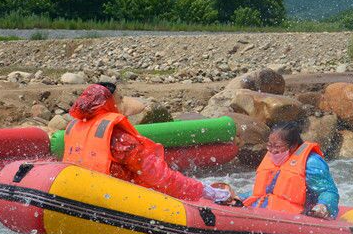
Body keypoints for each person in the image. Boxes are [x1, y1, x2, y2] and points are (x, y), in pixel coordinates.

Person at [63, 82, 232, 203]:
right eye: (120, 99)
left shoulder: (76, 128)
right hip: (116, 203)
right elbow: (161, 178)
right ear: (108, 104)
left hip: (81, 196)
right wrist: (206, 191)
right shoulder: (120, 139)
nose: (123, 103)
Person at [243, 121, 339, 219]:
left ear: (293, 146)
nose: (272, 151)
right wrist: (240, 197)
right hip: (267, 213)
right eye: (270, 145)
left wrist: (324, 205)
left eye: (277, 146)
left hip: (297, 217)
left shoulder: (311, 162)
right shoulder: (273, 158)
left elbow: (328, 191)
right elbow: (264, 192)